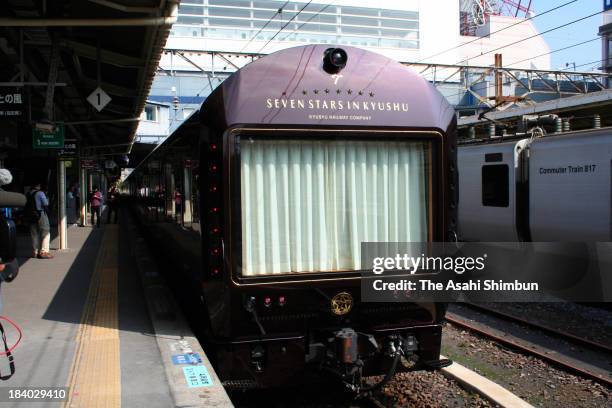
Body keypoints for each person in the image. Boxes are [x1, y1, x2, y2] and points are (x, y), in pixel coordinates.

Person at [27, 182, 53, 259]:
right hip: (40, 214)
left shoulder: (28, 193)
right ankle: (44, 252)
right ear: (38, 185)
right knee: (46, 231)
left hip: (31, 215)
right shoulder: (40, 193)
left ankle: (35, 252)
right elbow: (46, 203)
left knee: (34, 233)